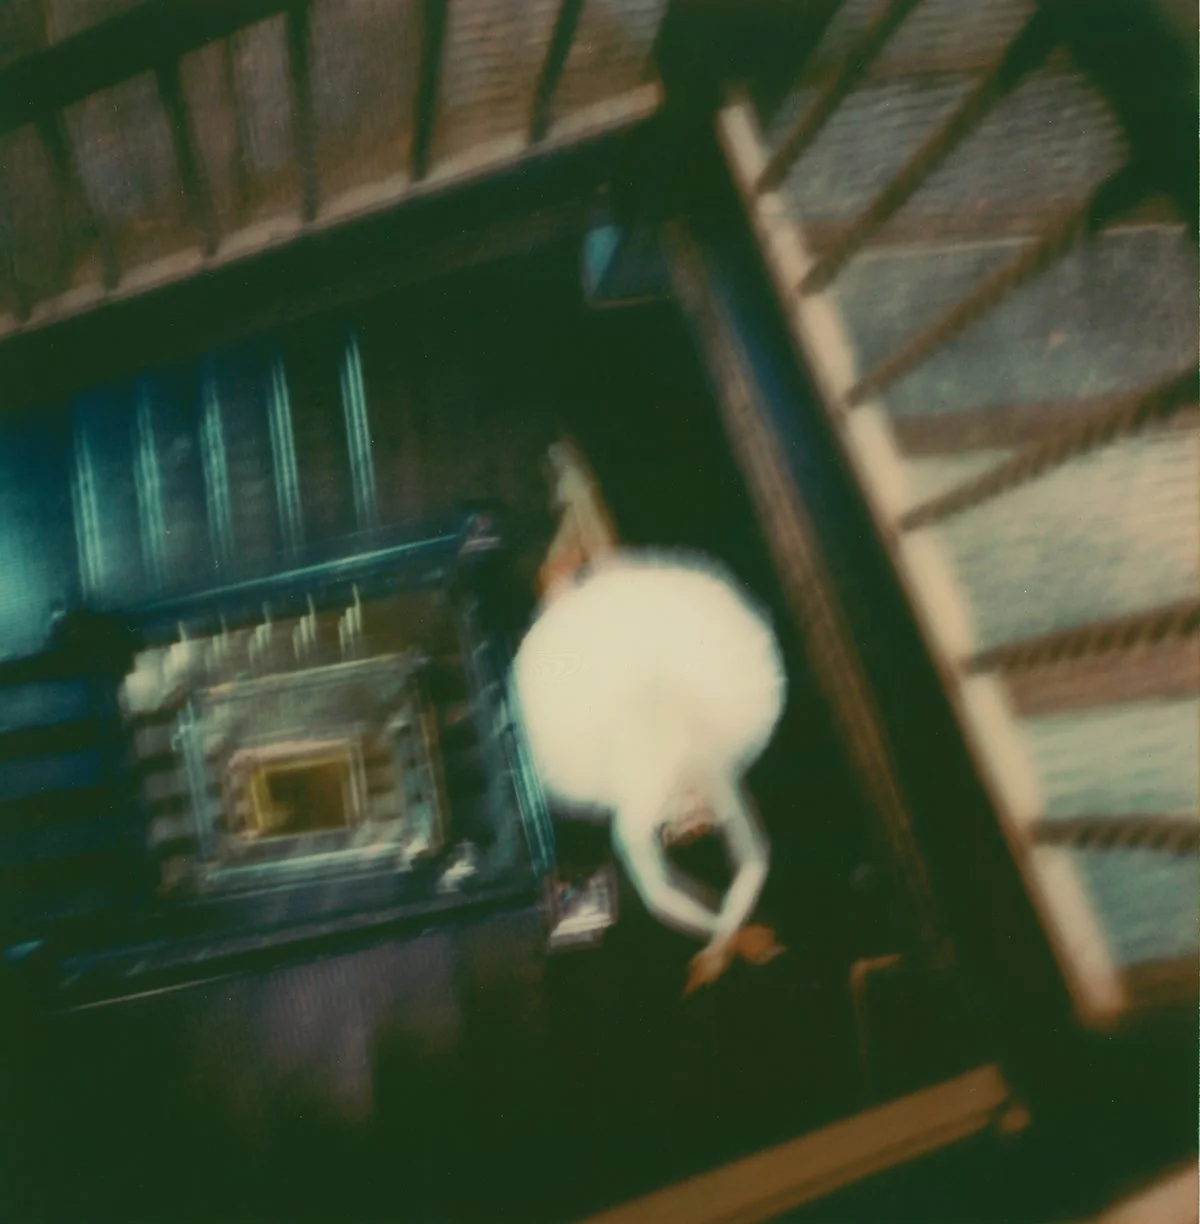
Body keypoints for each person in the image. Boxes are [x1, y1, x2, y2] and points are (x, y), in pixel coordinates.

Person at [516, 441, 786, 993]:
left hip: (602, 675)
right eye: (704, 817)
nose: (695, 813)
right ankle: (575, 486)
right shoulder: (715, 770)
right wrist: (726, 933)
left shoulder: (636, 806)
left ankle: (571, 499)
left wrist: (719, 938)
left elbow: (659, 891)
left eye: (683, 824)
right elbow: (755, 860)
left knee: (566, 579)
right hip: (662, 656)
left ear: (668, 828)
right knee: (604, 561)